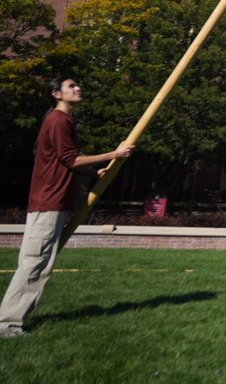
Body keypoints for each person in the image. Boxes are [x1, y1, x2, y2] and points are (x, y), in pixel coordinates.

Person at [0, 77, 134, 338]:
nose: (77, 88)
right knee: (34, 263)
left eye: (77, 85)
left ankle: (10, 322)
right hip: (48, 202)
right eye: (71, 86)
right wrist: (114, 154)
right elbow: (70, 160)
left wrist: (95, 172)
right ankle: (7, 324)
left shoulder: (64, 121)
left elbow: (65, 162)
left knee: (40, 265)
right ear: (56, 94)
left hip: (54, 202)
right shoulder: (58, 121)